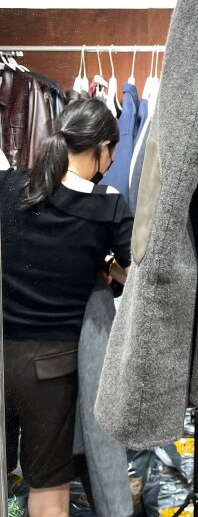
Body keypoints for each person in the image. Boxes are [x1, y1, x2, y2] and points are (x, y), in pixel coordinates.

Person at [0, 98, 132, 517]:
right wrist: (104, 269)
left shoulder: (8, 185)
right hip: (50, 370)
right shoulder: (107, 203)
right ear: (103, 148)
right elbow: (136, 273)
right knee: (48, 494)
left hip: (1, 354)